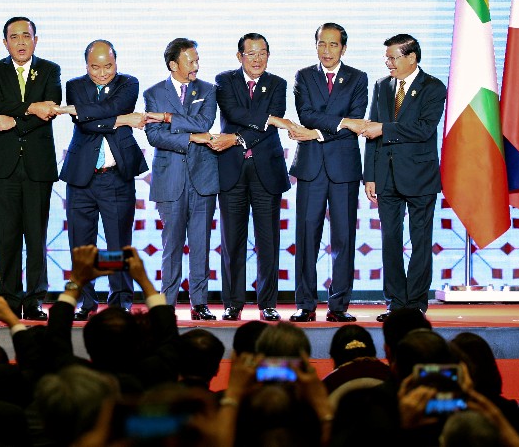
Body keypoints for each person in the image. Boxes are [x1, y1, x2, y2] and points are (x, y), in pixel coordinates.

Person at [57, 40, 149, 319]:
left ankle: (120, 300)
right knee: (81, 246)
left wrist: (86, 112)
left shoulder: (128, 83)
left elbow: (107, 108)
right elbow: (84, 123)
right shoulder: (74, 86)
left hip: (116, 176)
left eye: (107, 66)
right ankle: (85, 302)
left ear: (116, 63)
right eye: (95, 67)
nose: (101, 73)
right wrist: (120, 120)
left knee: (117, 243)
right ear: (86, 65)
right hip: (81, 178)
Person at [0, 17, 62, 321]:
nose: (20, 41)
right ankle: (10, 299)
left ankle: (35, 299)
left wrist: (14, 119)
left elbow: (50, 108)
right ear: (5, 43)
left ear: (35, 40)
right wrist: (29, 108)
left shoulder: (50, 69)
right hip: (4, 165)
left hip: (37, 164)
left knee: (36, 234)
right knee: (7, 235)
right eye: (13, 37)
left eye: (26, 35)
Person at [287, 23, 368, 323]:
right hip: (311, 168)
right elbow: (306, 114)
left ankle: (339, 306)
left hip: (344, 168)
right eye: (322, 44)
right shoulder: (304, 76)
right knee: (307, 236)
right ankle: (305, 304)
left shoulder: (358, 78)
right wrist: (340, 123)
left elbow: (357, 119)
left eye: (333, 45)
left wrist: (318, 133)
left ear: (343, 48)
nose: (327, 50)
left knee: (344, 237)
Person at [361, 34, 445, 321]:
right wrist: (369, 175)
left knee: (421, 240)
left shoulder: (433, 87)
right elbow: (371, 130)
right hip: (385, 176)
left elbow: (423, 128)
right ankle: (395, 303)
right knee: (390, 240)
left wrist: (386, 129)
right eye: (387, 58)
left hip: (419, 176)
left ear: (412, 57)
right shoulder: (382, 86)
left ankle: (416, 303)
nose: (388, 63)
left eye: (393, 57)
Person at [211, 33, 295, 321]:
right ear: (239, 57)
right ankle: (233, 303)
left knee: (268, 241)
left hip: (266, 172)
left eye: (263, 53)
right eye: (251, 54)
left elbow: (274, 118)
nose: (257, 59)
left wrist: (235, 137)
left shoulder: (279, 84)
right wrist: (267, 118)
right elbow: (234, 111)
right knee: (232, 241)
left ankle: (267, 303)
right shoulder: (224, 80)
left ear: (268, 56)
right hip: (231, 171)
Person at [143, 38, 219, 320]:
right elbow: (154, 136)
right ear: (174, 64)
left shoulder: (209, 90)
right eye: (191, 61)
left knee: (201, 244)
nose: (196, 66)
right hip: (169, 179)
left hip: (203, 179)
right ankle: (167, 304)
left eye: (198, 60)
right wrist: (190, 138)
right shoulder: (153, 93)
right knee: (171, 245)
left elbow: (205, 124)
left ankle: (199, 304)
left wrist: (166, 117)